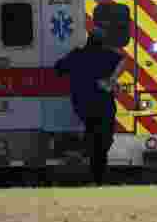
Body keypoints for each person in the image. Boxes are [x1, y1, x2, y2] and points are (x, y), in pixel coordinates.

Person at [54, 15, 126, 186]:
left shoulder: (77, 55)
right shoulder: (108, 55)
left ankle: (89, 163)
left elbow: (58, 69)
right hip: (103, 105)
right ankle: (97, 175)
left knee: (94, 136)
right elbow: (123, 60)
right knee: (102, 141)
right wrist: (112, 79)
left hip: (83, 105)